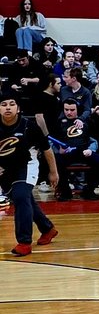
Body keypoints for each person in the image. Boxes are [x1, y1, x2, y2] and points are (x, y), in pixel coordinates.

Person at [0, 90, 58, 255]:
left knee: (20, 196)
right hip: (5, 169)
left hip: (26, 165)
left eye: (12, 104)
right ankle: (47, 229)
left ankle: (24, 242)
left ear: (18, 108)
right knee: (25, 200)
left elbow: (47, 150)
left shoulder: (29, 126)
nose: (8, 108)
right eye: (3, 105)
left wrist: (53, 172)